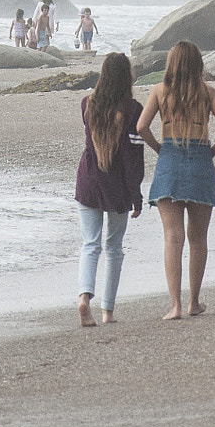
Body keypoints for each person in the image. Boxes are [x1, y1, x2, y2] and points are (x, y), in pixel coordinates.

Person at [136, 40, 215, 320]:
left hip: (170, 160)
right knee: (198, 238)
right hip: (200, 162)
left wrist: (160, 149)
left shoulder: (159, 91)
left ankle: (175, 306)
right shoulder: (208, 93)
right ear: (197, 64)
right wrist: (211, 151)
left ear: (171, 63)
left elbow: (141, 126)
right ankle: (193, 302)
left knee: (172, 238)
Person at [75, 52, 144, 327]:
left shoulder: (86, 104)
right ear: (127, 76)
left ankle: (83, 297)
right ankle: (107, 311)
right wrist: (136, 196)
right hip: (116, 186)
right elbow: (132, 159)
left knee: (90, 245)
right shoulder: (133, 109)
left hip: (88, 180)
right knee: (114, 248)